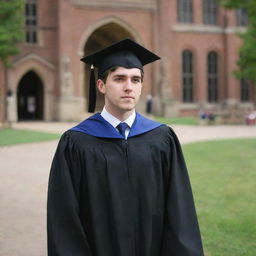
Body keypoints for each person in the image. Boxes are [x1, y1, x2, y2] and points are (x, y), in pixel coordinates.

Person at [47, 38, 204, 256]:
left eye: (135, 80)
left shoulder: (161, 139)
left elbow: (179, 210)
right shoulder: (76, 142)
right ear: (101, 85)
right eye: (119, 79)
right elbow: (64, 219)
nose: (129, 87)